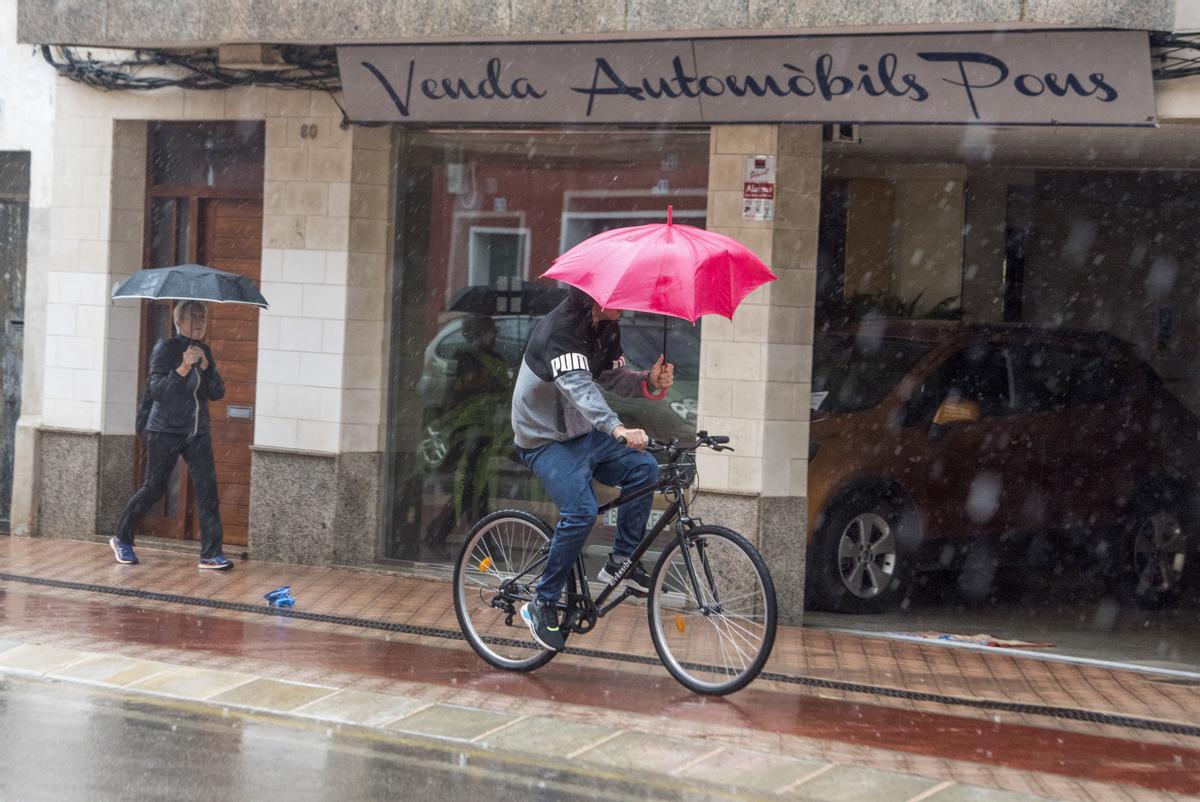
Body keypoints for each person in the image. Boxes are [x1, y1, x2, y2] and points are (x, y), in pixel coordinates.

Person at [511, 286, 674, 650]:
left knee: (644, 471)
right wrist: (617, 428)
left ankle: (622, 561)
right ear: (599, 297)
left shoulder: (606, 327)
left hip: (582, 432)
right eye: (621, 298)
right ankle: (543, 602)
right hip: (544, 439)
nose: (628, 304)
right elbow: (579, 387)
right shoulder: (561, 331)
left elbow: (607, 377)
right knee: (581, 512)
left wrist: (646, 380)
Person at [110, 300, 232, 570]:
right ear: (178, 323)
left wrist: (206, 366)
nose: (199, 322)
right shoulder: (165, 349)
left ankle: (211, 554)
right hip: (164, 429)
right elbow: (159, 391)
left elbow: (216, 392)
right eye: (192, 317)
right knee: (154, 487)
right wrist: (184, 368)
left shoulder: (204, 351)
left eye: (203, 317)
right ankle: (121, 537)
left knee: (208, 490)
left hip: (197, 431)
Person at [423, 315, 511, 557]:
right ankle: (483, 545)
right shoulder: (468, 359)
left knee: (472, 492)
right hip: (469, 433)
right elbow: (465, 390)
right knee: (473, 492)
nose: (492, 337)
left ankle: (441, 533)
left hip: (485, 432)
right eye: (487, 332)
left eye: (492, 332)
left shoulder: (494, 359)